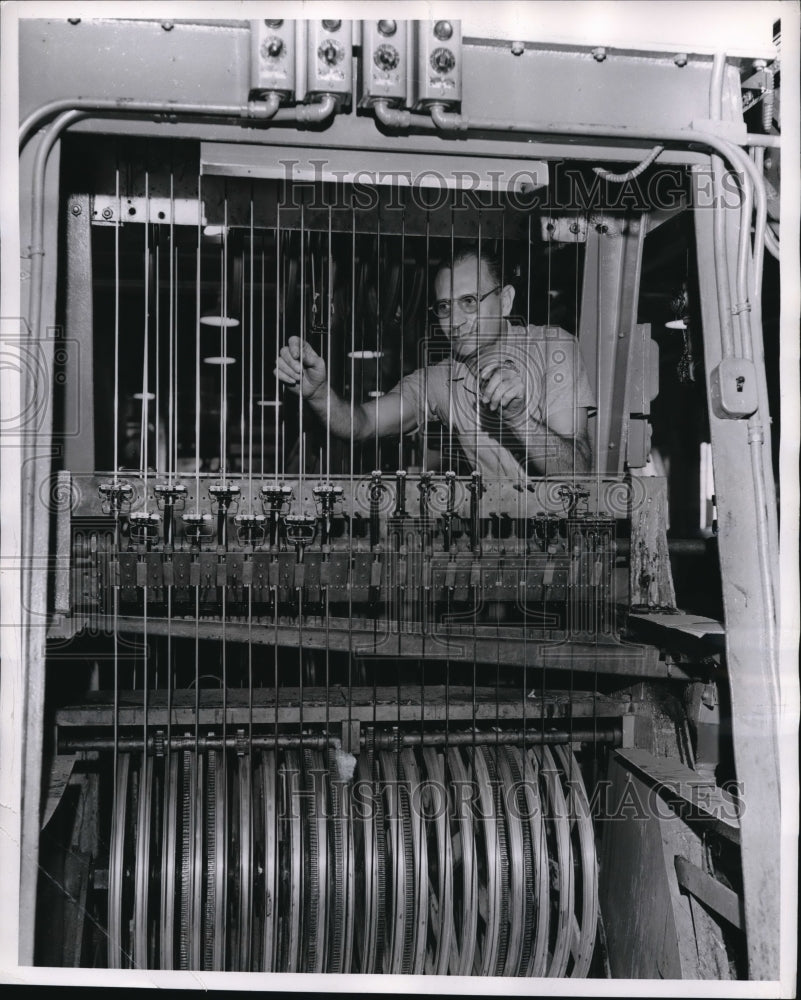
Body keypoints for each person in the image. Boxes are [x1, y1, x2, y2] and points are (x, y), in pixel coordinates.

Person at [275, 244, 594, 477]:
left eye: (469, 302)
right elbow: (362, 423)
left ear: (506, 300)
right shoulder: (438, 381)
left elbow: (577, 471)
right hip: (499, 545)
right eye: (444, 307)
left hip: (568, 546)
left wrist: (518, 416)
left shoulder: (553, 348)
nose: (454, 321)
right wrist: (318, 394)